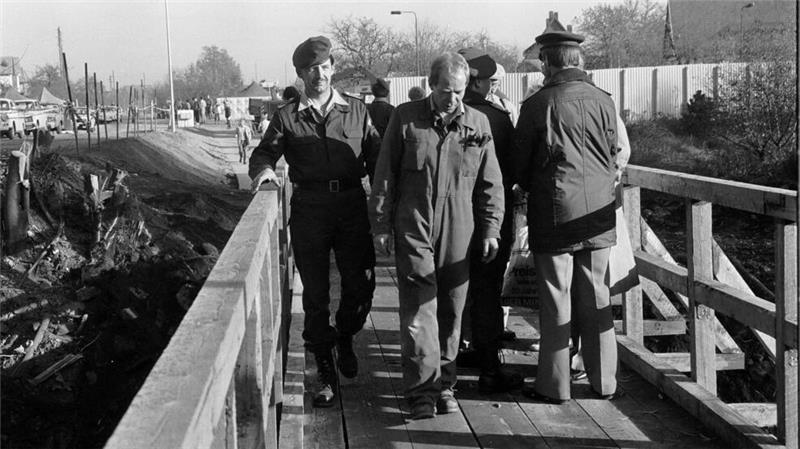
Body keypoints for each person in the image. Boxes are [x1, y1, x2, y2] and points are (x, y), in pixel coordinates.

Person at [249, 35, 380, 408]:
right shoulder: (288, 115)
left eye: (324, 67)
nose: (318, 74)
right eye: (310, 69)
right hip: (309, 208)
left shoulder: (357, 111)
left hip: (352, 205)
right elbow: (263, 154)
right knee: (315, 292)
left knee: (361, 284)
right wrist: (265, 175)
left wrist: (388, 201)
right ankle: (323, 368)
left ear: (333, 68)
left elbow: (377, 158)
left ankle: (345, 335)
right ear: (300, 73)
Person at [371, 52, 504, 420]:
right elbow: (384, 176)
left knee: (451, 309)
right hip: (414, 223)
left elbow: (491, 184)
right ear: (431, 86)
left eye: (459, 92)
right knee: (419, 310)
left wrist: (491, 228)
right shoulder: (405, 117)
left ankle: (445, 383)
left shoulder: (477, 124)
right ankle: (421, 393)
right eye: (446, 91)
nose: (452, 99)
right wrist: (381, 225)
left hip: (460, 227)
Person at [514, 25, 619, 404]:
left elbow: (519, 164)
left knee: (557, 297)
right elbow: (612, 151)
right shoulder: (604, 99)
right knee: (597, 294)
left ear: (546, 62)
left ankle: (555, 385)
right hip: (599, 213)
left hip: (555, 213)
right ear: (577, 60)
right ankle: (604, 381)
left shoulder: (538, 104)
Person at [457, 48, 521, 394]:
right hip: (493, 215)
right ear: (478, 81)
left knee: (452, 287)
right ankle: (489, 365)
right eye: (491, 80)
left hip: (454, 216)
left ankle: (450, 357)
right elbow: (513, 167)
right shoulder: (495, 117)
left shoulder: (448, 113)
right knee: (487, 288)